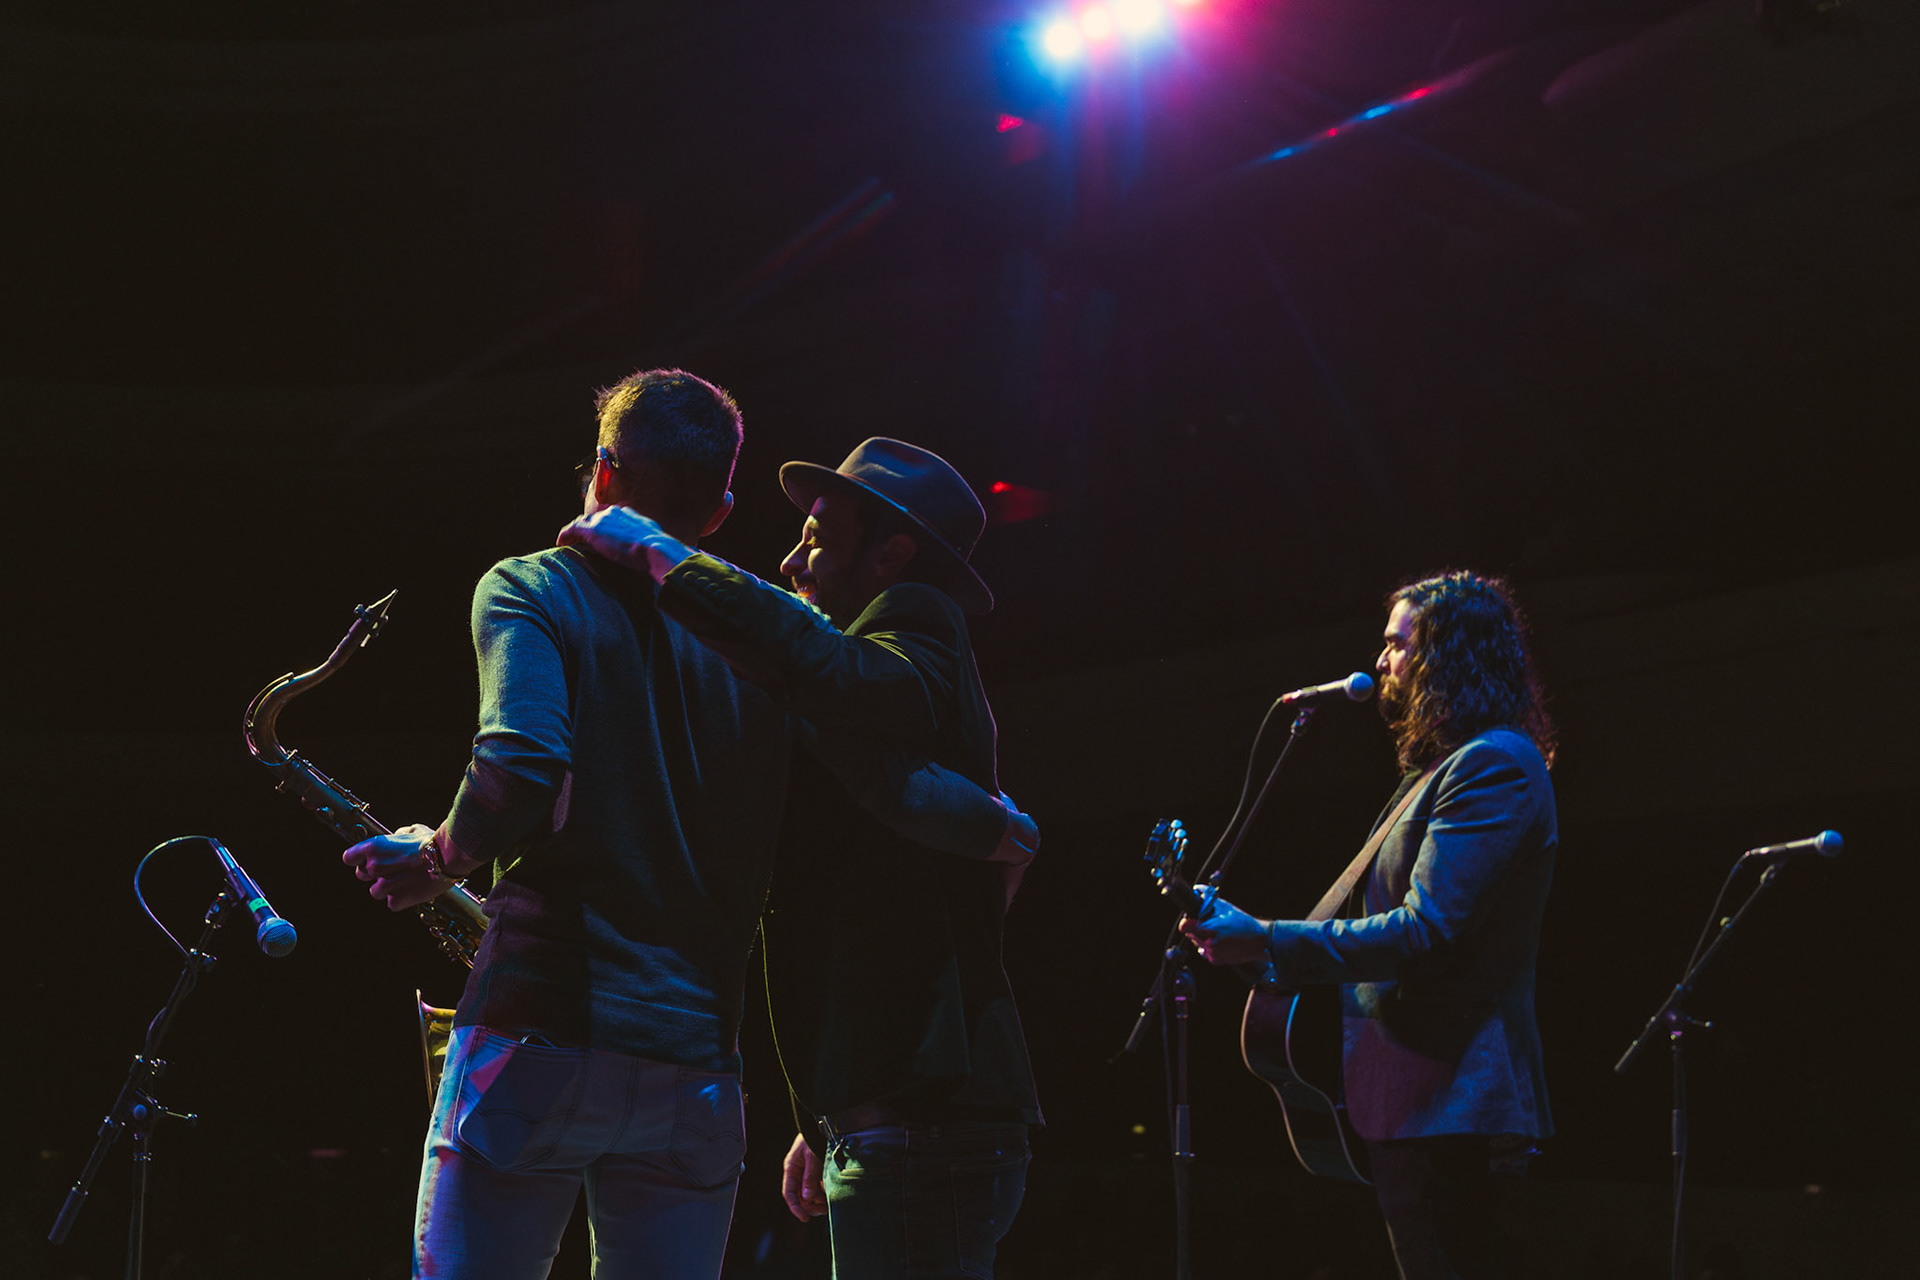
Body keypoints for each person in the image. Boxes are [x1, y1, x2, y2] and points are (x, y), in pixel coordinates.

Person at [343, 376, 1022, 1280]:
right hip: (696, 1068)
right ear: (721, 510)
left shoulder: (532, 584)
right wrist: (1006, 826)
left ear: (603, 471)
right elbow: (896, 793)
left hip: (543, 1023)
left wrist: (438, 856)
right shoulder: (773, 645)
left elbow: (522, 761)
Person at [562, 437, 1041, 1280]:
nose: (790, 560)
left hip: (922, 1120)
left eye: (818, 537)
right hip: (897, 1117)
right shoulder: (857, 690)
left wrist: (661, 553)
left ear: (891, 555)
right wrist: (825, 1116)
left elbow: (846, 679)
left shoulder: (917, 619)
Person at [1182, 571, 1558, 1280]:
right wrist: (1253, 946)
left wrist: (1266, 936)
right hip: (1418, 1097)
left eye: (1398, 644)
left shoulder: (1493, 764)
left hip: (1456, 1101)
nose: (1381, 659)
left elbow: (1424, 932)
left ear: (1449, 654)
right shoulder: (1439, 770)